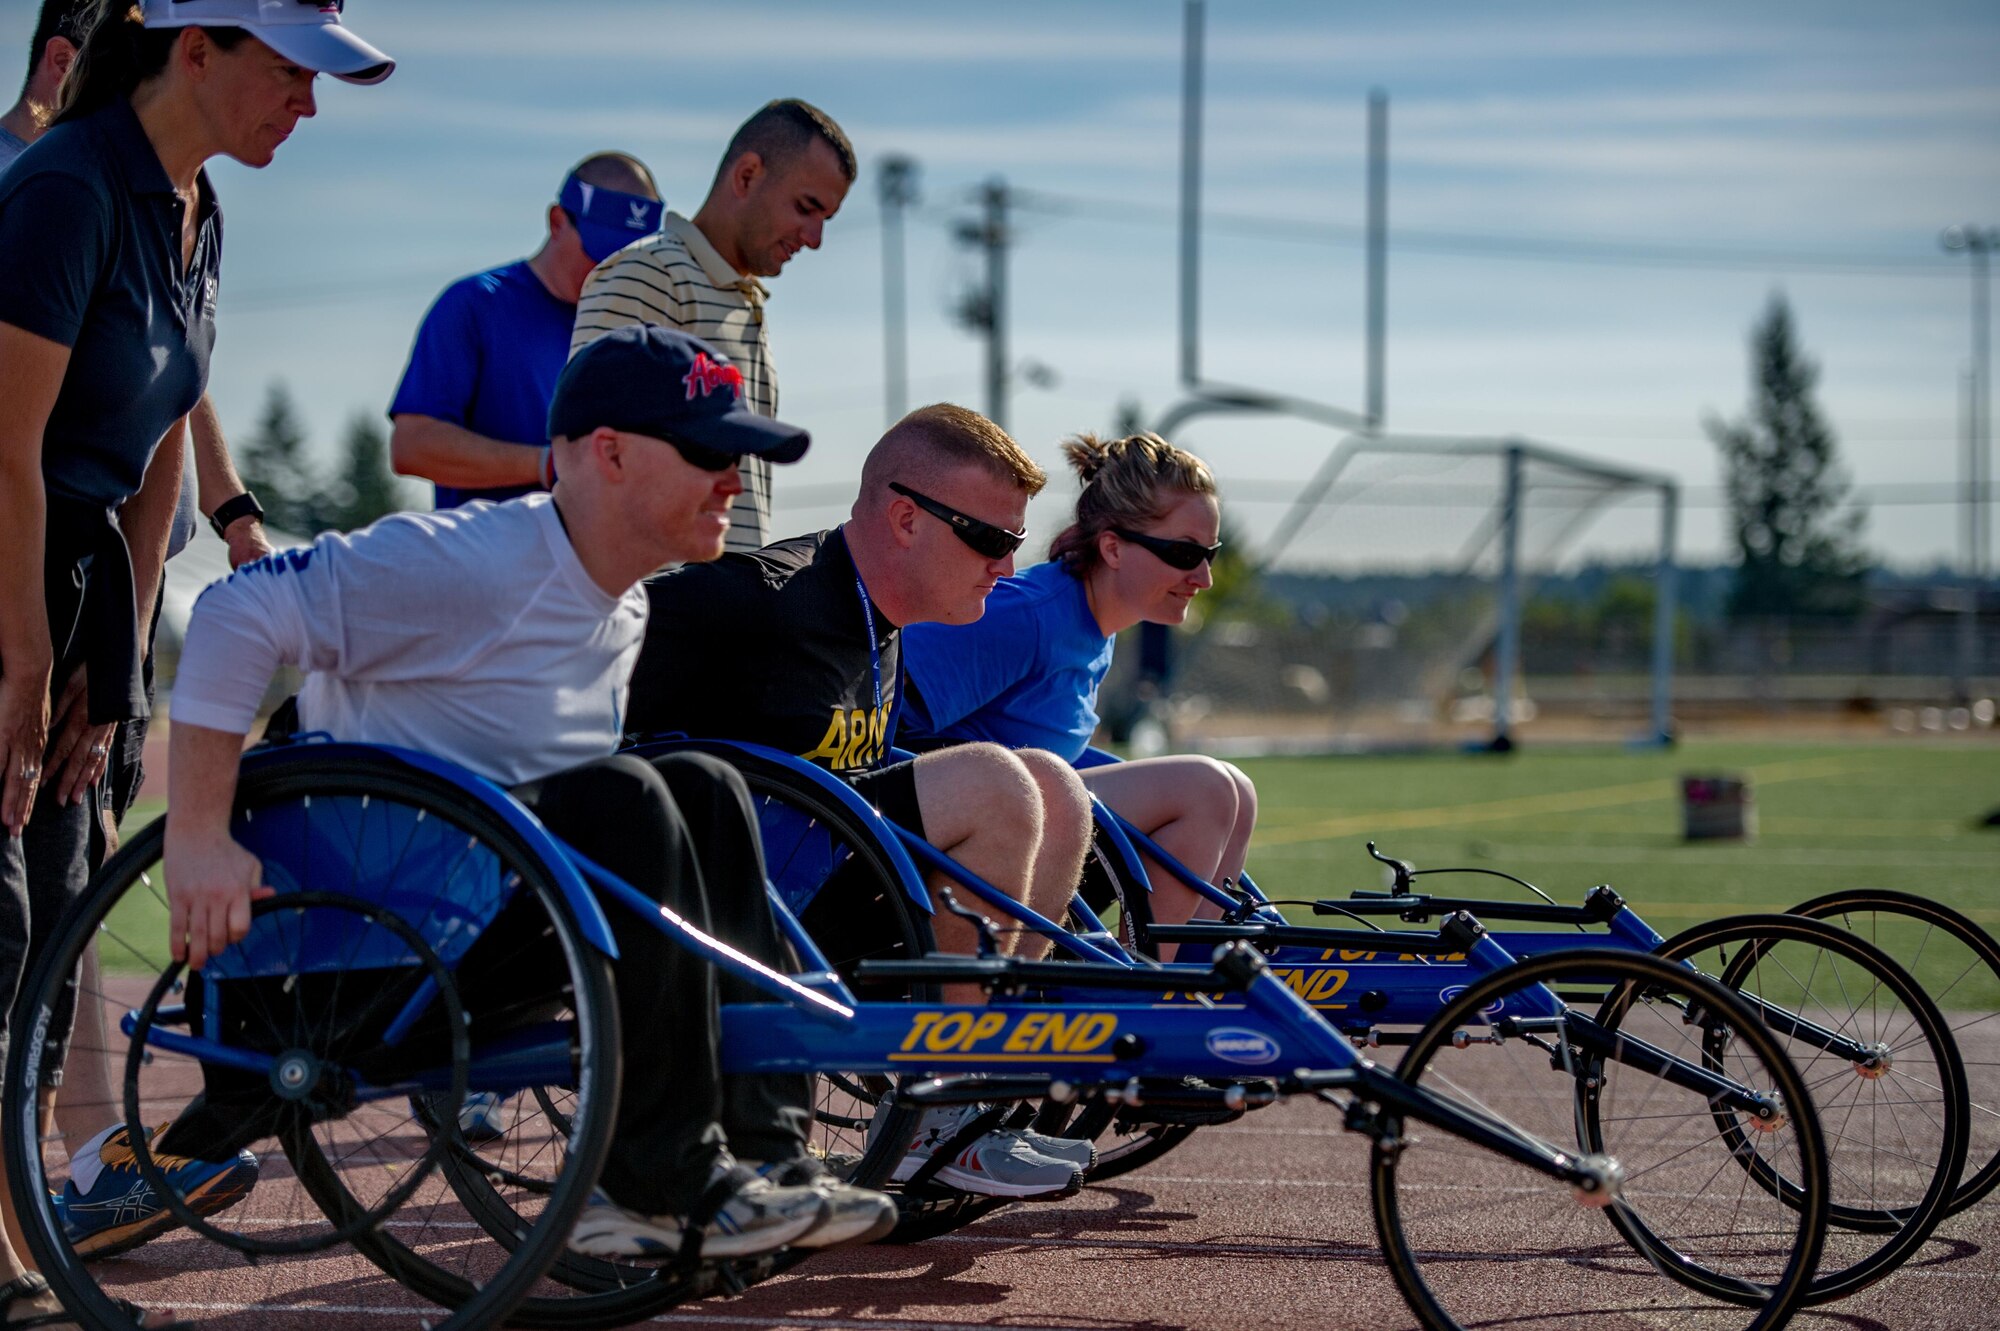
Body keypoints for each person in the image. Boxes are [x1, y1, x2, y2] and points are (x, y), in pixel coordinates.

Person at [166, 325, 895, 1261]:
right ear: (611, 452)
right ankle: (652, 1181)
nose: (736, 482)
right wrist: (195, 838)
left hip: (474, 923)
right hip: (337, 963)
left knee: (707, 784)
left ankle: (766, 1152)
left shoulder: (624, 605)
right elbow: (235, 609)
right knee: (623, 796)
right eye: (713, 453)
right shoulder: (471, 558)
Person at [0, 1, 391, 1322]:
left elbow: (160, 443)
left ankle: (24, 1207)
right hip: (4, 564)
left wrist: (103, 677)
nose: (310, 104)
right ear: (197, 48)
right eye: (292, 71)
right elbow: (6, 450)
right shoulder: (63, 188)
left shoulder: (198, 209)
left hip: (78, 579)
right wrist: (21, 650)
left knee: (57, 910)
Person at [625, 403, 1098, 1198]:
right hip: (740, 913)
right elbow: (592, 661)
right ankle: (934, 1110)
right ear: (906, 518)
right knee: (998, 783)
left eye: (1015, 541)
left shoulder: (884, 615)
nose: (1007, 567)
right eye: (991, 538)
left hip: (828, 890)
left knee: (1055, 784)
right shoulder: (762, 597)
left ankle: (967, 1090)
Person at [898, 432, 1257, 961]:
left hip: (1038, 812)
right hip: (957, 842)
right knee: (1205, 789)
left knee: (1236, 790)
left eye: (1210, 554)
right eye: (1184, 553)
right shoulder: (1026, 616)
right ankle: (1146, 991)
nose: (1202, 576)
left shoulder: (1094, 625)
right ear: (1112, 547)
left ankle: (1205, 979)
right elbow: (883, 719)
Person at [571, 99, 854, 553]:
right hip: (654, 612)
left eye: (826, 219)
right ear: (746, 176)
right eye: (806, 207)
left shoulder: (740, 296)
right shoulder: (648, 274)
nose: (815, 239)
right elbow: (591, 459)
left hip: (716, 610)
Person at [389, 153, 663, 509]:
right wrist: (548, 464)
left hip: (606, 561)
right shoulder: (477, 305)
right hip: (488, 560)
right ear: (557, 221)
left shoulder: (641, 330)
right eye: (601, 254)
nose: (610, 272)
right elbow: (413, 447)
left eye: (629, 261)